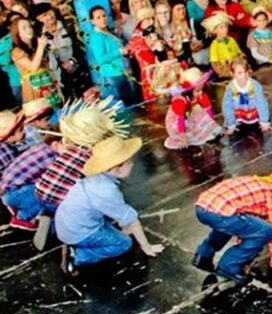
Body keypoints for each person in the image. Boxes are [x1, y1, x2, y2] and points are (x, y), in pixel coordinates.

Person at [56, 136, 164, 276]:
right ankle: (77, 256)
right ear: (117, 168)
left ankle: (77, 243)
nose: (132, 165)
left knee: (119, 226)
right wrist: (146, 246)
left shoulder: (96, 178)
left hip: (67, 221)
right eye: (129, 162)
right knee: (123, 243)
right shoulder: (106, 191)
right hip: (79, 231)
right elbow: (131, 219)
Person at [33, 98, 128, 251]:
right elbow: (96, 186)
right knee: (84, 206)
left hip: (41, 189)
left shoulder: (70, 148)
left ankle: (47, 216)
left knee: (61, 207)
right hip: (59, 196)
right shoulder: (92, 155)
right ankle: (72, 246)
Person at [192, 170, 272, 284]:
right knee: (266, 231)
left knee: (230, 224)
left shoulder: (260, 183)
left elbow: (245, 228)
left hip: (203, 206)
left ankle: (203, 256)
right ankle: (229, 266)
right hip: (220, 212)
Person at [0, 133, 60, 230]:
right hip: (13, 192)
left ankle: (21, 213)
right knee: (45, 193)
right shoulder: (51, 156)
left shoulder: (41, 147)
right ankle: (24, 218)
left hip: (8, 189)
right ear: (56, 144)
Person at [164, 68, 222, 150]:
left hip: (188, 114)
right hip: (177, 121)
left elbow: (208, 110)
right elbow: (180, 118)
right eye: (197, 90)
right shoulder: (180, 101)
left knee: (200, 113)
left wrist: (212, 125)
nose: (200, 92)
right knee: (187, 130)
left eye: (201, 89)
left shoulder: (201, 95)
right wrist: (182, 137)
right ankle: (185, 133)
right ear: (188, 91)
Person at [10, 17, 61, 108]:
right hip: (33, 86)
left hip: (47, 81)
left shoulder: (36, 46)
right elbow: (33, 67)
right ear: (17, 33)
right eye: (24, 28)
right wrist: (41, 47)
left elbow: (47, 66)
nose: (29, 30)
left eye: (29, 26)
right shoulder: (16, 51)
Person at [87, 6, 133, 103]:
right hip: (112, 74)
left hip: (121, 71)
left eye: (104, 16)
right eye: (98, 17)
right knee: (123, 104)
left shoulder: (107, 32)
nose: (103, 19)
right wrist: (119, 52)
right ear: (92, 21)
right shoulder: (96, 37)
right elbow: (101, 59)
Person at [222, 60, 271, 135]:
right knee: (232, 102)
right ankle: (238, 120)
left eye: (246, 72)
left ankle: (255, 119)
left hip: (252, 110)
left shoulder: (255, 85)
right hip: (239, 111)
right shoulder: (230, 88)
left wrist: (264, 122)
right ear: (232, 74)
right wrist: (231, 124)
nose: (244, 76)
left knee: (258, 101)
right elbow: (227, 106)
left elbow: (261, 102)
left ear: (249, 71)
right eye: (239, 73)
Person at [204, 11, 244, 78]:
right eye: (221, 28)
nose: (225, 29)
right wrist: (227, 72)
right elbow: (215, 65)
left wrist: (242, 64)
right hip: (226, 71)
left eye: (226, 27)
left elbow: (240, 54)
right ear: (214, 30)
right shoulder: (214, 45)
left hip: (238, 67)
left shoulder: (231, 40)